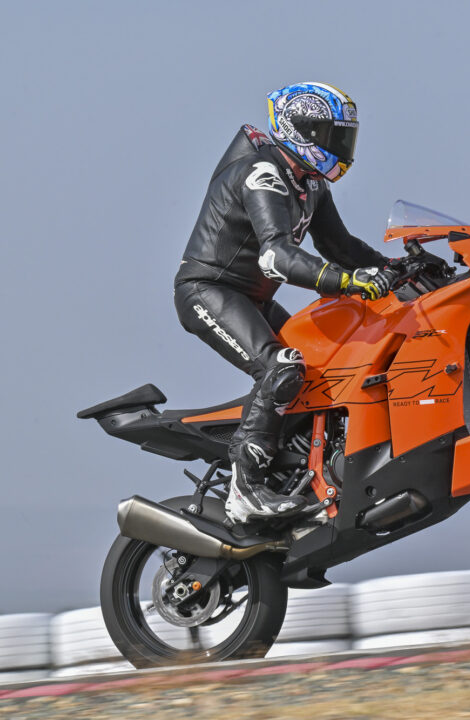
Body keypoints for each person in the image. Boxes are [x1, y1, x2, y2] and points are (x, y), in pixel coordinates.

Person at [173, 82, 398, 524]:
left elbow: (342, 247)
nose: (342, 148)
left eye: (344, 138)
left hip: (251, 298)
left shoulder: (309, 184)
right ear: (302, 131)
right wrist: (351, 283)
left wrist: (400, 268)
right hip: (208, 291)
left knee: (318, 367)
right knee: (282, 367)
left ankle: (291, 472)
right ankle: (246, 488)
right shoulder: (263, 173)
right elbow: (276, 256)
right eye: (334, 137)